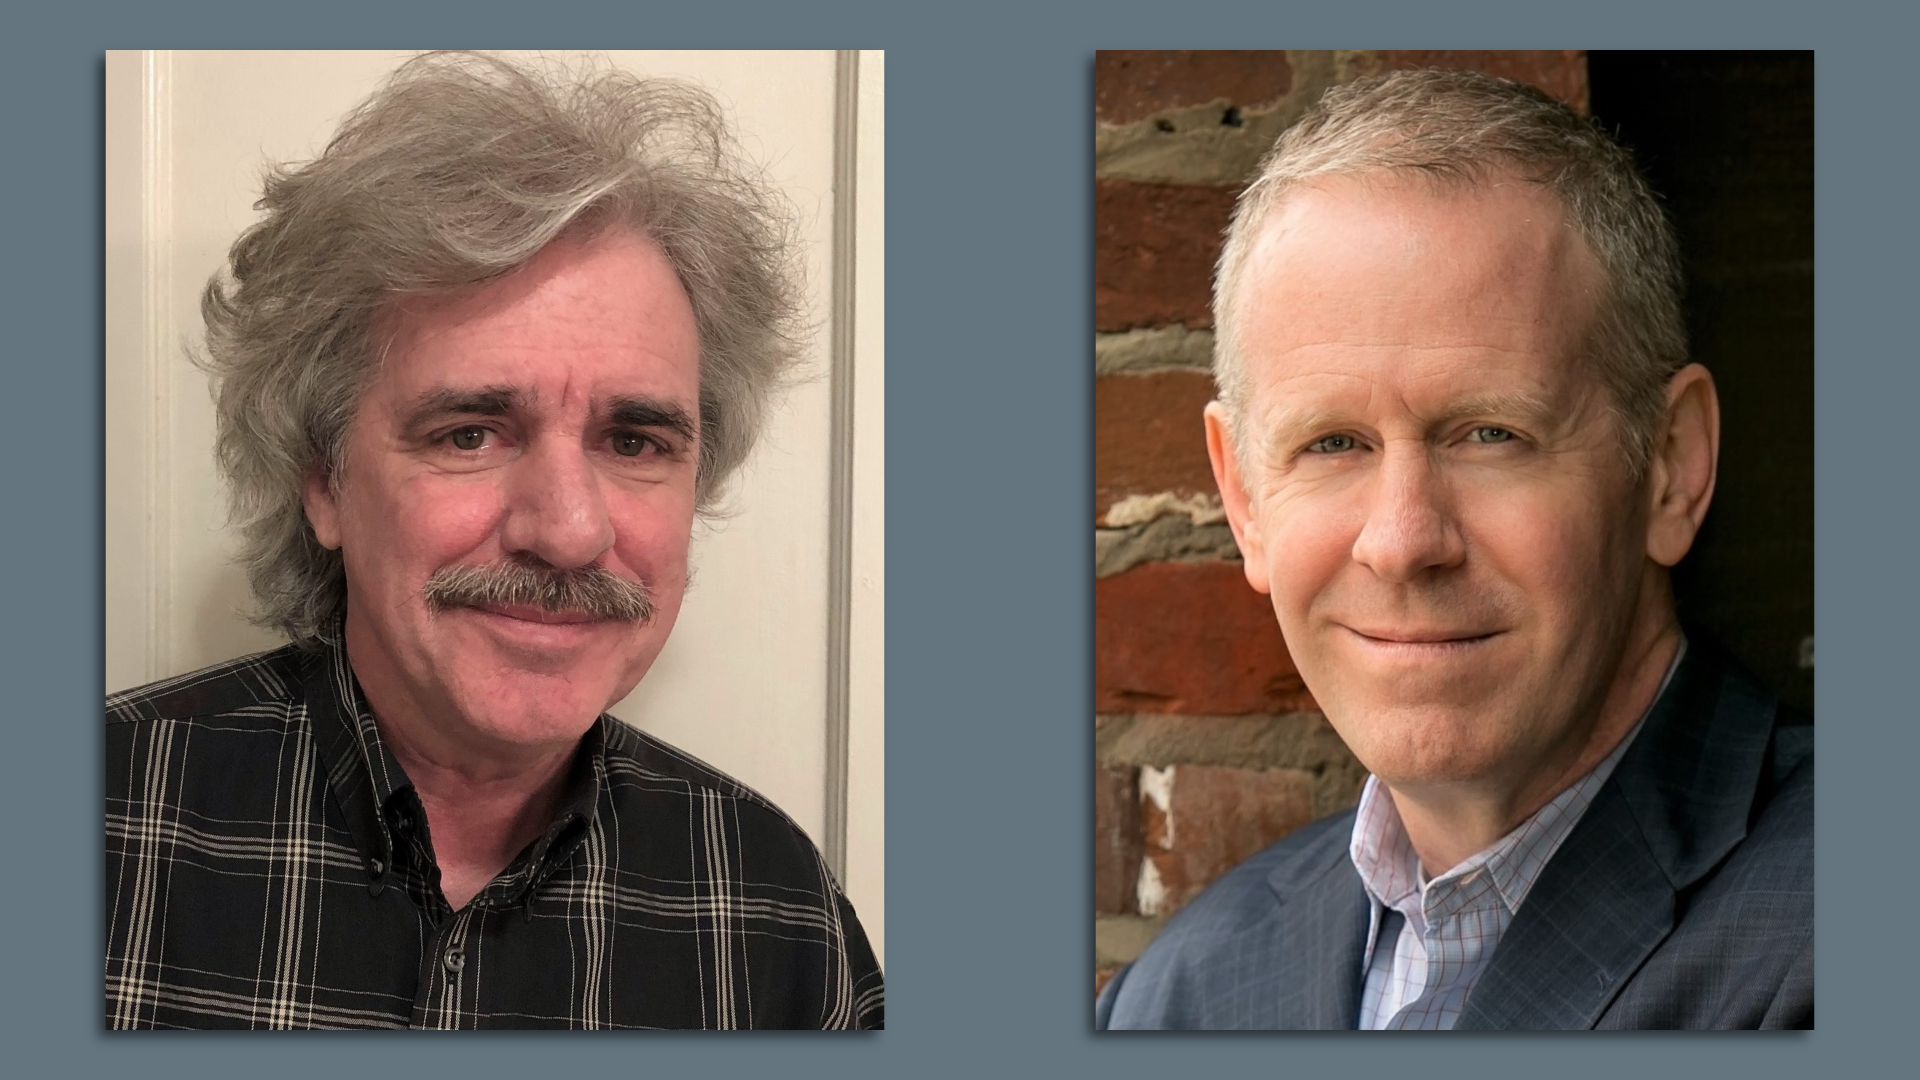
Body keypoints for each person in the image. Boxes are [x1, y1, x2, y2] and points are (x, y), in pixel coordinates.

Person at [105, 52, 882, 1030]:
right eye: (469, 433)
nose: (567, 530)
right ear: (322, 480)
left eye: (634, 440)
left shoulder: (773, 911)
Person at [1096, 69, 1811, 1030]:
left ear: (1671, 467)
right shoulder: (1178, 1001)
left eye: (1489, 434)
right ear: (1243, 495)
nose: (1401, 542)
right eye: (1333, 443)